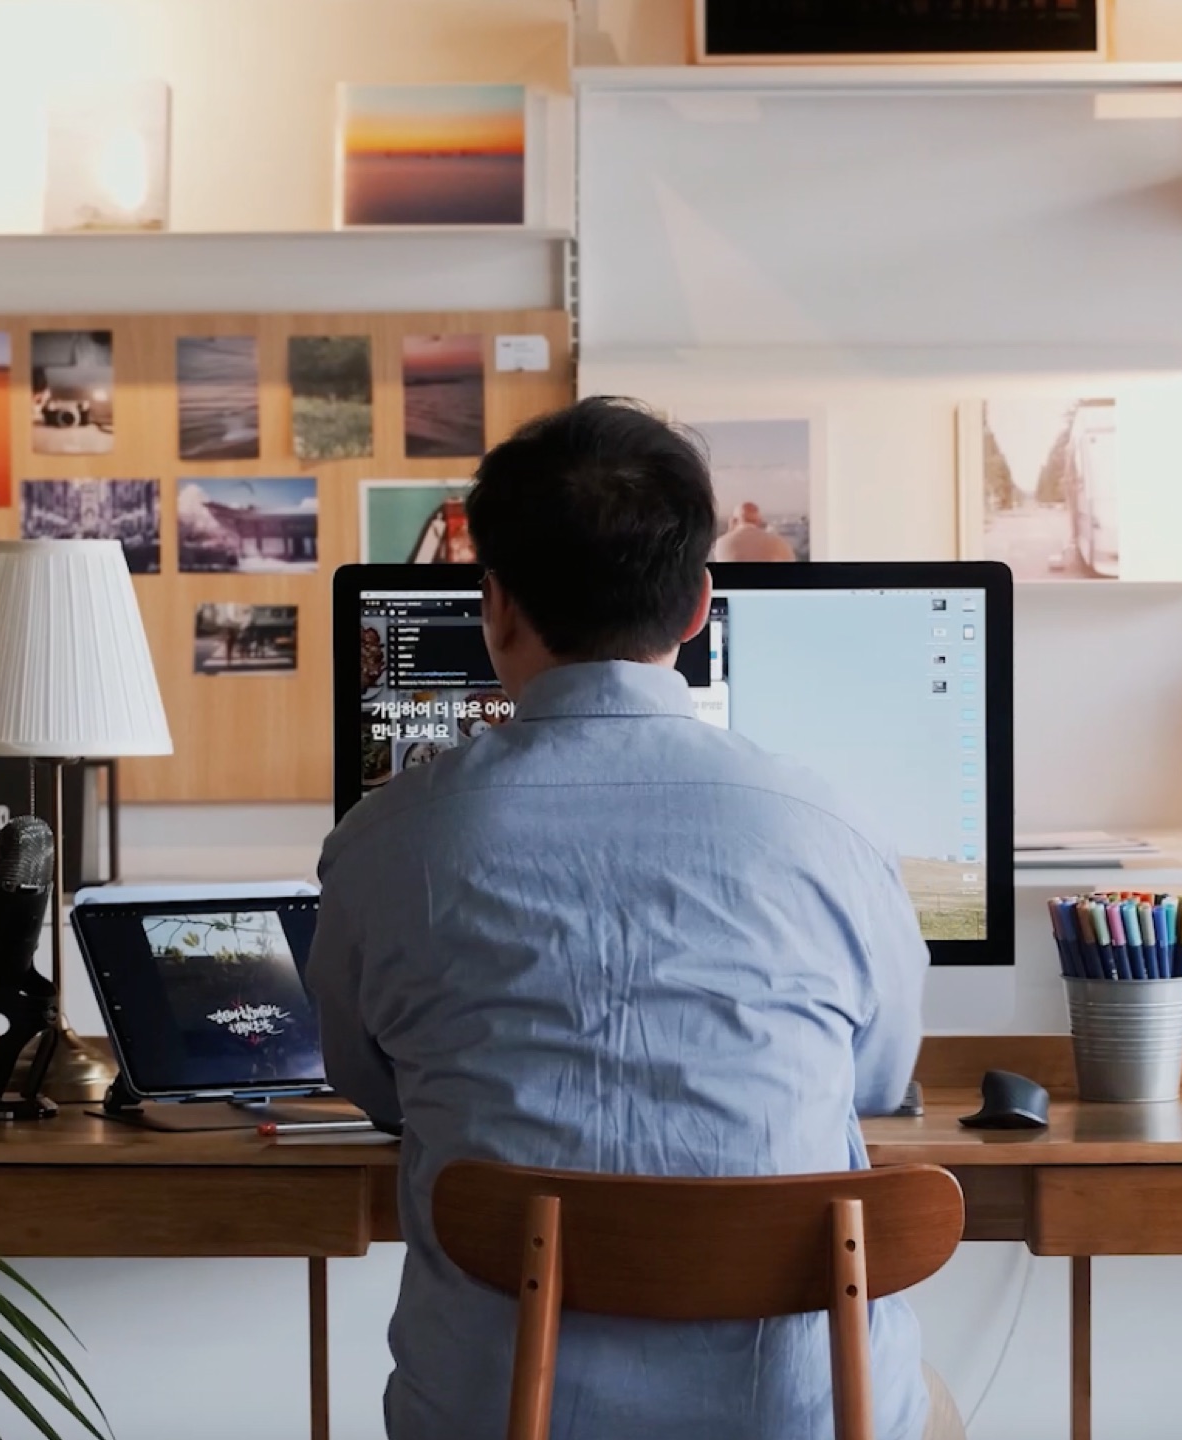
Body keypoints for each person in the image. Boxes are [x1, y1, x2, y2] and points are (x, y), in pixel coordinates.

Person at [308, 397, 961, 1440]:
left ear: (496, 606)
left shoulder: (386, 840)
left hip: (497, 1413)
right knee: (928, 1405)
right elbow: (876, 1083)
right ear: (699, 605)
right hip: (790, 1415)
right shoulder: (828, 825)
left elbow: (371, 1085)